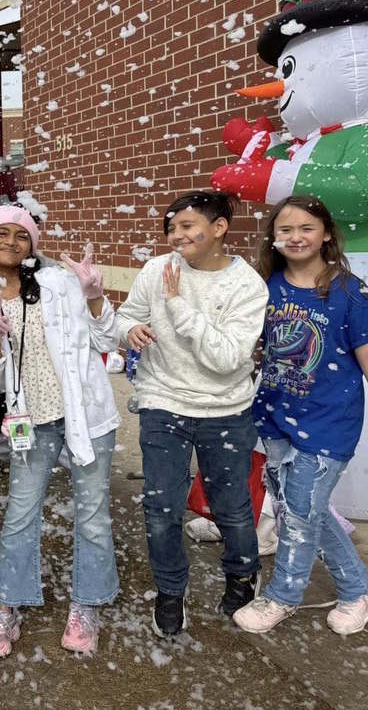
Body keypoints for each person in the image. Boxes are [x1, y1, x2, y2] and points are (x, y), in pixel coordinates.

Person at [0, 205, 120, 657]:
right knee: (19, 516)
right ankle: (7, 606)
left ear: (33, 245)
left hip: (86, 417)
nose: (11, 242)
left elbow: (107, 340)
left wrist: (94, 296)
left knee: (92, 516)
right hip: (29, 424)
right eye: (1, 234)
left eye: (21, 235)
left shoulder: (59, 284)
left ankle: (87, 603)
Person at [116, 191, 268, 637]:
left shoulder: (246, 285)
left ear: (219, 227)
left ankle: (242, 574)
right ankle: (170, 590)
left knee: (231, 506)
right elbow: (127, 315)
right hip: (163, 403)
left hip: (226, 409)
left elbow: (226, 358)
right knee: (162, 507)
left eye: (186, 226)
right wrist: (132, 330)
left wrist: (179, 308)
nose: (176, 236)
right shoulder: (156, 270)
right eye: (171, 228)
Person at [233, 195, 368, 635]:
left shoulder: (350, 291)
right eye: (286, 229)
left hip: (328, 423)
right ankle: (356, 588)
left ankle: (283, 596)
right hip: (273, 417)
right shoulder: (264, 285)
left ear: (327, 233)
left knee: (299, 513)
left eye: (306, 227)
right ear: (274, 237)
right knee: (305, 510)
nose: (295, 237)